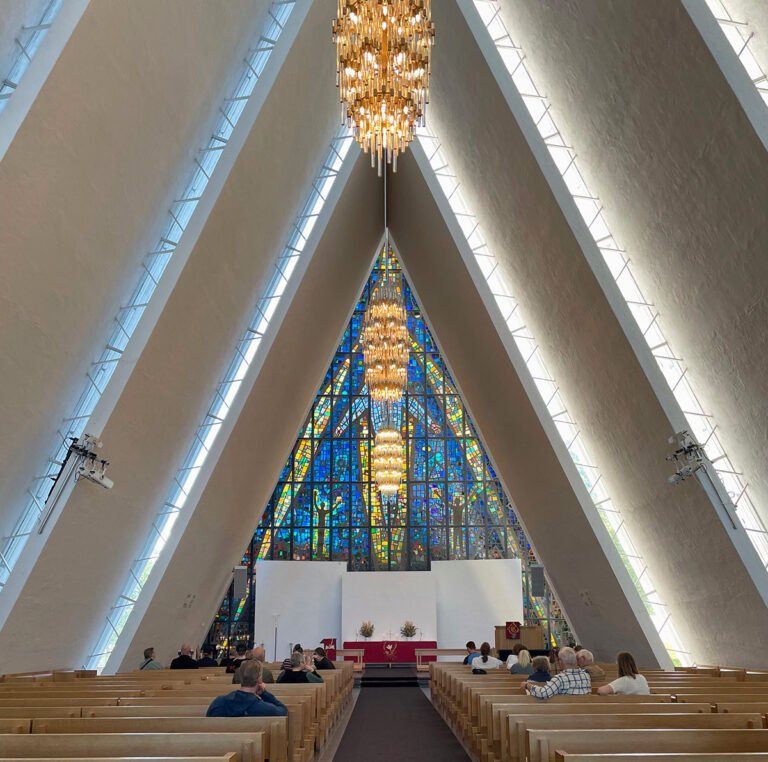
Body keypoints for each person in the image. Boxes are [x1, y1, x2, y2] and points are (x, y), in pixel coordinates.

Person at [206, 661, 288, 717]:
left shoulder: (218, 703)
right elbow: (283, 711)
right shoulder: (264, 709)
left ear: (240, 677)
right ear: (259, 679)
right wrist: (264, 694)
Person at [523, 646, 591, 699]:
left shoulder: (560, 678)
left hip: (567, 713)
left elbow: (543, 693)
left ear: (561, 661)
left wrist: (528, 685)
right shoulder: (586, 675)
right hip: (586, 713)